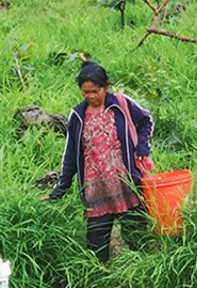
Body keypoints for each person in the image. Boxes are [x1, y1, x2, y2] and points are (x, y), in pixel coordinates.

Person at [43, 62, 155, 261]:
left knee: (138, 239)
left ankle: (143, 278)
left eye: (95, 91)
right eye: (85, 92)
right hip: (96, 190)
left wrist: (142, 147)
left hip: (126, 185)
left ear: (106, 87)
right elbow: (70, 156)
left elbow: (146, 120)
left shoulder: (120, 104)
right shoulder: (77, 116)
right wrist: (60, 188)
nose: (91, 96)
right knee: (96, 248)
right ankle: (101, 281)